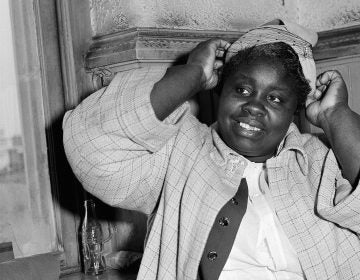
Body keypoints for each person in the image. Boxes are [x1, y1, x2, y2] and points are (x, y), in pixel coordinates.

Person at [63, 19, 360, 280]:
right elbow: (91, 146)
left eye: (275, 99)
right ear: (219, 91)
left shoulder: (318, 162)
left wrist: (336, 115)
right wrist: (191, 74)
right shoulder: (181, 153)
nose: (254, 107)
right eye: (242, 90)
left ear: (295, 111)